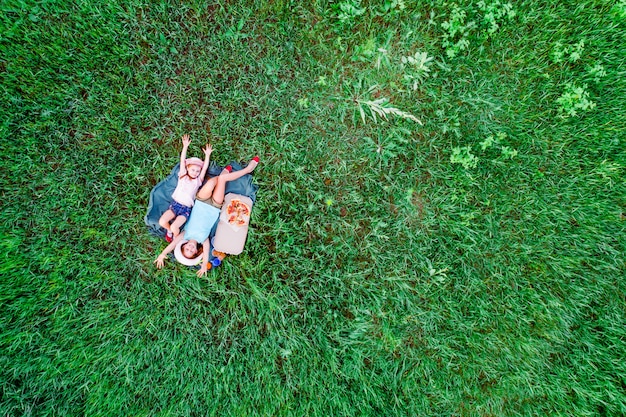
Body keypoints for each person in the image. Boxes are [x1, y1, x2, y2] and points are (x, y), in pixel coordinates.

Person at [154, 156, 260, 277]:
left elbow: (172, 244)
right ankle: (247, 169)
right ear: (196, 252)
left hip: (200, 200)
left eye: (186, 249)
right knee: (222, 180)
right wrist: (204, 264)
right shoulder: (203, 240)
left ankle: (225, 172)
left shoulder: (185, 234)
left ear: (183, 246)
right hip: (215, 206)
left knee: (211, 183)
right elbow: (206, 252)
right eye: (191, 252)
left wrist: (163, 254)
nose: (190, 248)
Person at [158, 134, 212, 241]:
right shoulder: (183, 176)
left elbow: (204, 168)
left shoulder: (198, 181)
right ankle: (170, 231)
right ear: (187, 168)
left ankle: (175, 237)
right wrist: (185, 146)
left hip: (185, 209)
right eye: (193, 170)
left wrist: (207, 155)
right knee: (162, 222)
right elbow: (182, 161)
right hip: (174, 205)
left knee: (174, 226)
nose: (195, 172)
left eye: (197, 171)